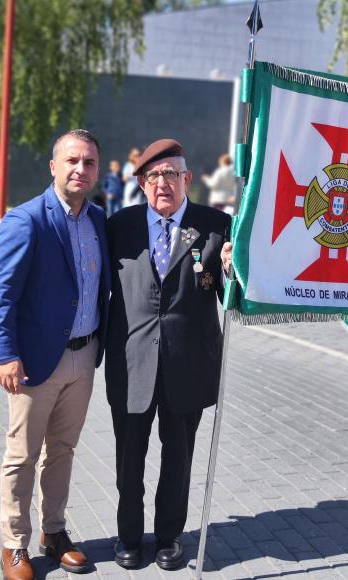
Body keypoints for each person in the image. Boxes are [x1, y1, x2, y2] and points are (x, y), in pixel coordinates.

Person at [0, 129, 110, 580]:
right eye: (72, 160)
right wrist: (4, 354)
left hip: (84, 355)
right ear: (53, 167)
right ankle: (14, 544)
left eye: (89, 162)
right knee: (22, 454)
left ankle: (53, 533)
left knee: (63, 450)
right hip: (35, 361)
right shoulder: (26, 220)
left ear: (97, 171)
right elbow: (1, 295)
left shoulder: (97, 220)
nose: (81, 169)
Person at [106, 138, 232, 570]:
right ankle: (127, 536)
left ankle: (169, 537)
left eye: (171, 174)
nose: (163, 183)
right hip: (131, 361)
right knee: (129, 459)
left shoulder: (216, 226)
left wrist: (236, 267)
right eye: (153, 176)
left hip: (188, 363)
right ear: (141, 183)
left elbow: (235, 290)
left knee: (178, 457)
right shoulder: (117, 226)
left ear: (187, 179)